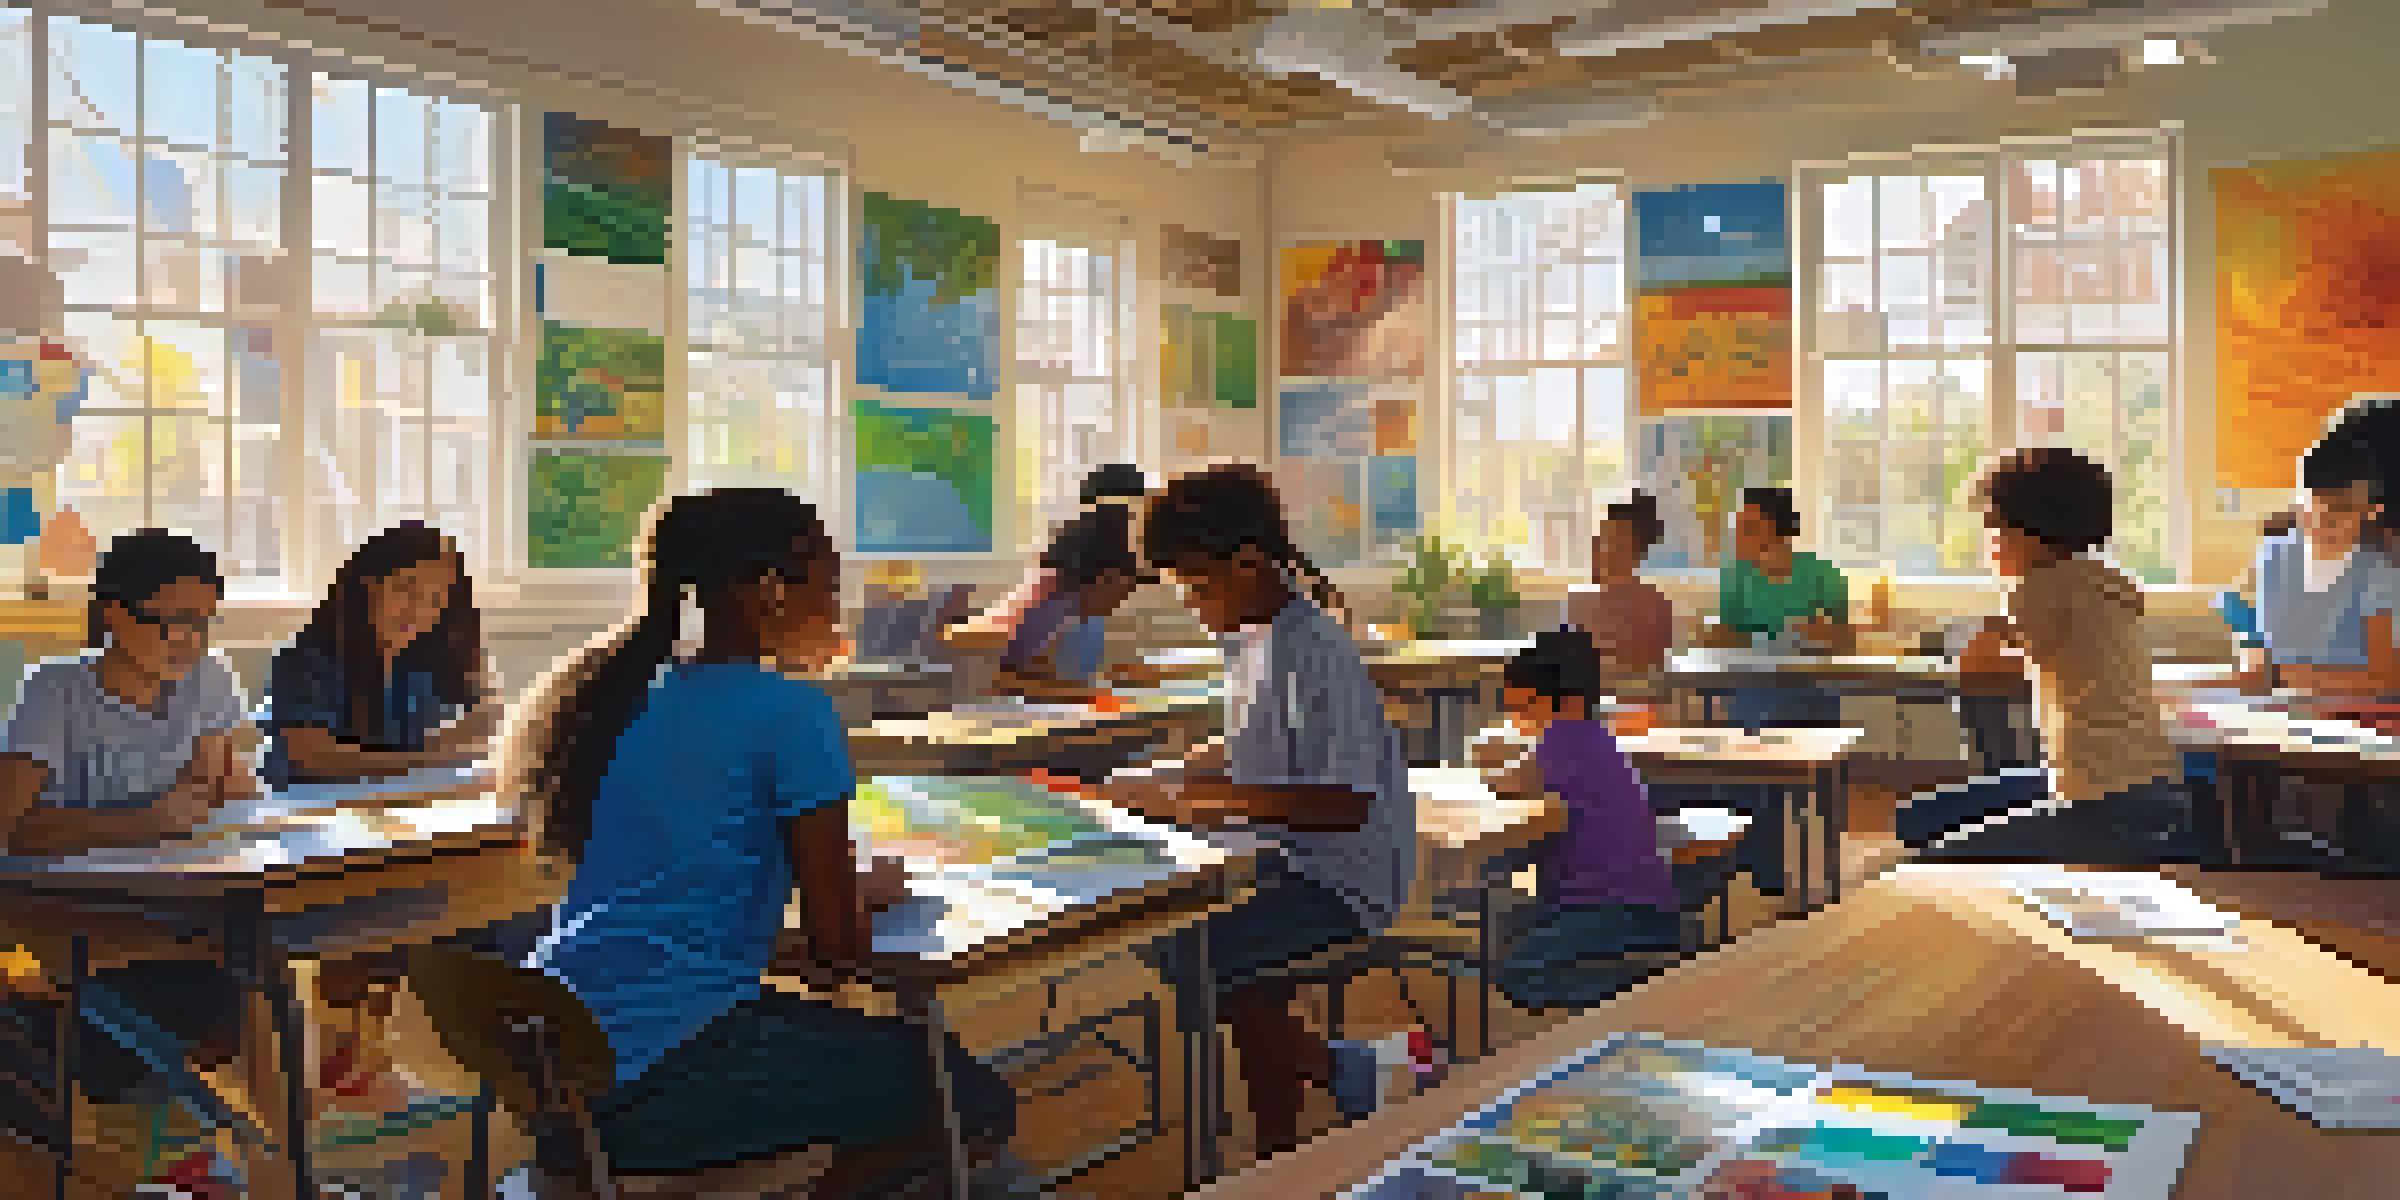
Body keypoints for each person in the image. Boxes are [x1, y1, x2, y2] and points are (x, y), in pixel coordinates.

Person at [513, 489, 1018, 1197]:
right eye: (829, 586)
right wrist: (853, 895)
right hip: (661, 1078)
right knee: (970, 1100)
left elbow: (671, 884)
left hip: (552, 1060)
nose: (839, 611)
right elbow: (837, 952)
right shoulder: (790, 712)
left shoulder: (612, 692)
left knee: (877, 1054)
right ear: (770, 591)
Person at [1112, 463, 1412, 1158]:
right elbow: (1255, 743)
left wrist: (1197, 803)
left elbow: (1343, 804)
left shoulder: (1317, 651)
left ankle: (1289, 1129)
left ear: (1249, 563)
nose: (1192, 601)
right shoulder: (1254, 638)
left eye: (1197, 583)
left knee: (1207, 956)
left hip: (1346, 882)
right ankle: (1337, 1074)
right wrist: (1178, 772)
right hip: (1288, 861)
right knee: (1182, 939)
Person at [0, 529, 257, 1185]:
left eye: (202, 623)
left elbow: (214, 792)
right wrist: (143, 821)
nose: (189, 642)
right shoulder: (55, 690)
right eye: (171, 622)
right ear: (114, 613)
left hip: (174, 909)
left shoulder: (208, 678)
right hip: (70, 926)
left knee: (265, 966)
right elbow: (11, 826)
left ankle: (253, 1157)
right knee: (243, 987)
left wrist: (226, 789)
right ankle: (230, 1154)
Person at [260, 521, 514, 1107]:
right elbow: (309, 753)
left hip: (395, 835)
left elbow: (486, 717)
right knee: (385, 923)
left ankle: (395, 1063)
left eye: (434, 599)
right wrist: (434, 755)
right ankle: (345, 1063)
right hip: (313, 844)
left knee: (498, 906)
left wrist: (482, 706)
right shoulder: (309, 658)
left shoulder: (426, 663)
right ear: (365, 585)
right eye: (405, 590)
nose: (418, 610)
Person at [1895, 448, 2200, 864]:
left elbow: (1977, 669)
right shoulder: (2108, 581)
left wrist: (1991, 624)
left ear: (2027, 534)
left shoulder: (2038, 588)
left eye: (1993, 530)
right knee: (1922, 817)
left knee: (1926, 864)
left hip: (2098, 804)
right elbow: (2063, 662)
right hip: (2151, 785)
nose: (1989, 546)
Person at [1481, 630, 1683, 1013]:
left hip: (1613, 912)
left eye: (1527, 706)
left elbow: (1510, 784)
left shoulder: (1562, 737)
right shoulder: (1597, 736)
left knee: (1516, 973)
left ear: (1568, 703)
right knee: (1512, 931)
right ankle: (1636, 976)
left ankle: (1639, 985)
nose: (1519, 720)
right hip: (1642, 907)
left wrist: (1490, 767)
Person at [2246, 431, 2400, 698]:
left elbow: (2385, 678)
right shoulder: (2274, 555)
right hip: (2279, 708)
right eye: (2312, 509)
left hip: (2352, 715)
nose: (2320, 524)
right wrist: (2252, 663)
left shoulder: (2378, 571)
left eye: (2339, 512)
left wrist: (2282, 676)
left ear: (2370, 511)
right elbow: (2261, 642)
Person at [993, 504, 1153, 702]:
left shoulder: (1093, 619)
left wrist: (1118, 674)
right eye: (1125, 589)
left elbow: (1071, 675)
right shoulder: (1049, 613)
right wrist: (1086, 696)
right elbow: (1008, 681)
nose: (1123, 600)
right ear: (1106, 579)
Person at [1565, 490, 1676, 706]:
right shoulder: (1579, 602)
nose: (1596, 548)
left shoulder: (1653, 605)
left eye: (1608, 542)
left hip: (1633, 712)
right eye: (1598, 540)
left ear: (1633, 552)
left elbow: (1649, 679)